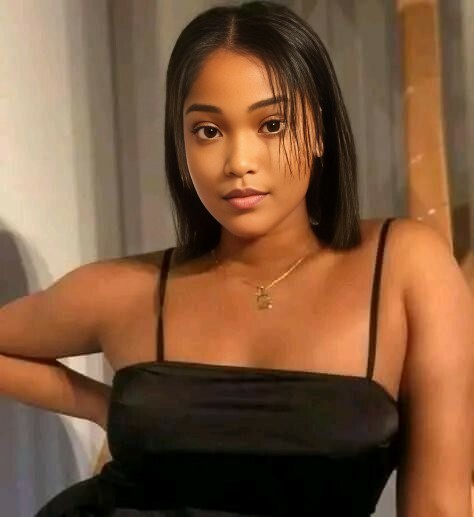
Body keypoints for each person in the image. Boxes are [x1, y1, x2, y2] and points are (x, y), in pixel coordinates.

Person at [1, 1, 472, 515]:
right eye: (208, 131)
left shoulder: (403, 265)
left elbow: (439, 506)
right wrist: (99, 405)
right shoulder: (132, 291)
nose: (239, 162)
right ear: (181, 146)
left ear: (318, 129)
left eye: (272, 124)